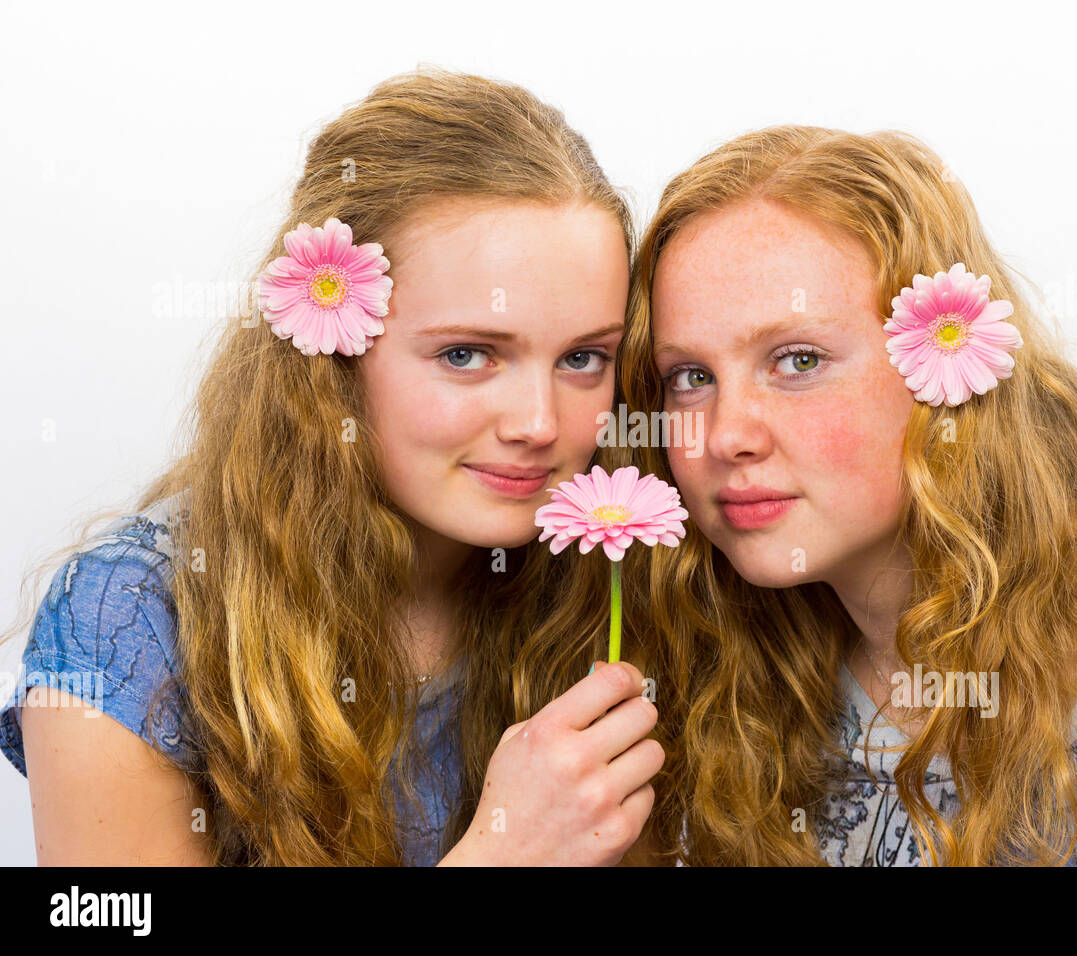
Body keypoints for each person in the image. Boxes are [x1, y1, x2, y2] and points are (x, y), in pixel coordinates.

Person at [0, 68, 663, 866]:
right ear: (334, 354)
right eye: (467, 354)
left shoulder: (609, 581)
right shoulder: (135, 623)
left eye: (584, 358)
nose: (540, 424)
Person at [613, 125, 1077, 865]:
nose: (724, 437)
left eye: (798, 360)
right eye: (690, 376)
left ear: (946, 368)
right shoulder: (723, 683)